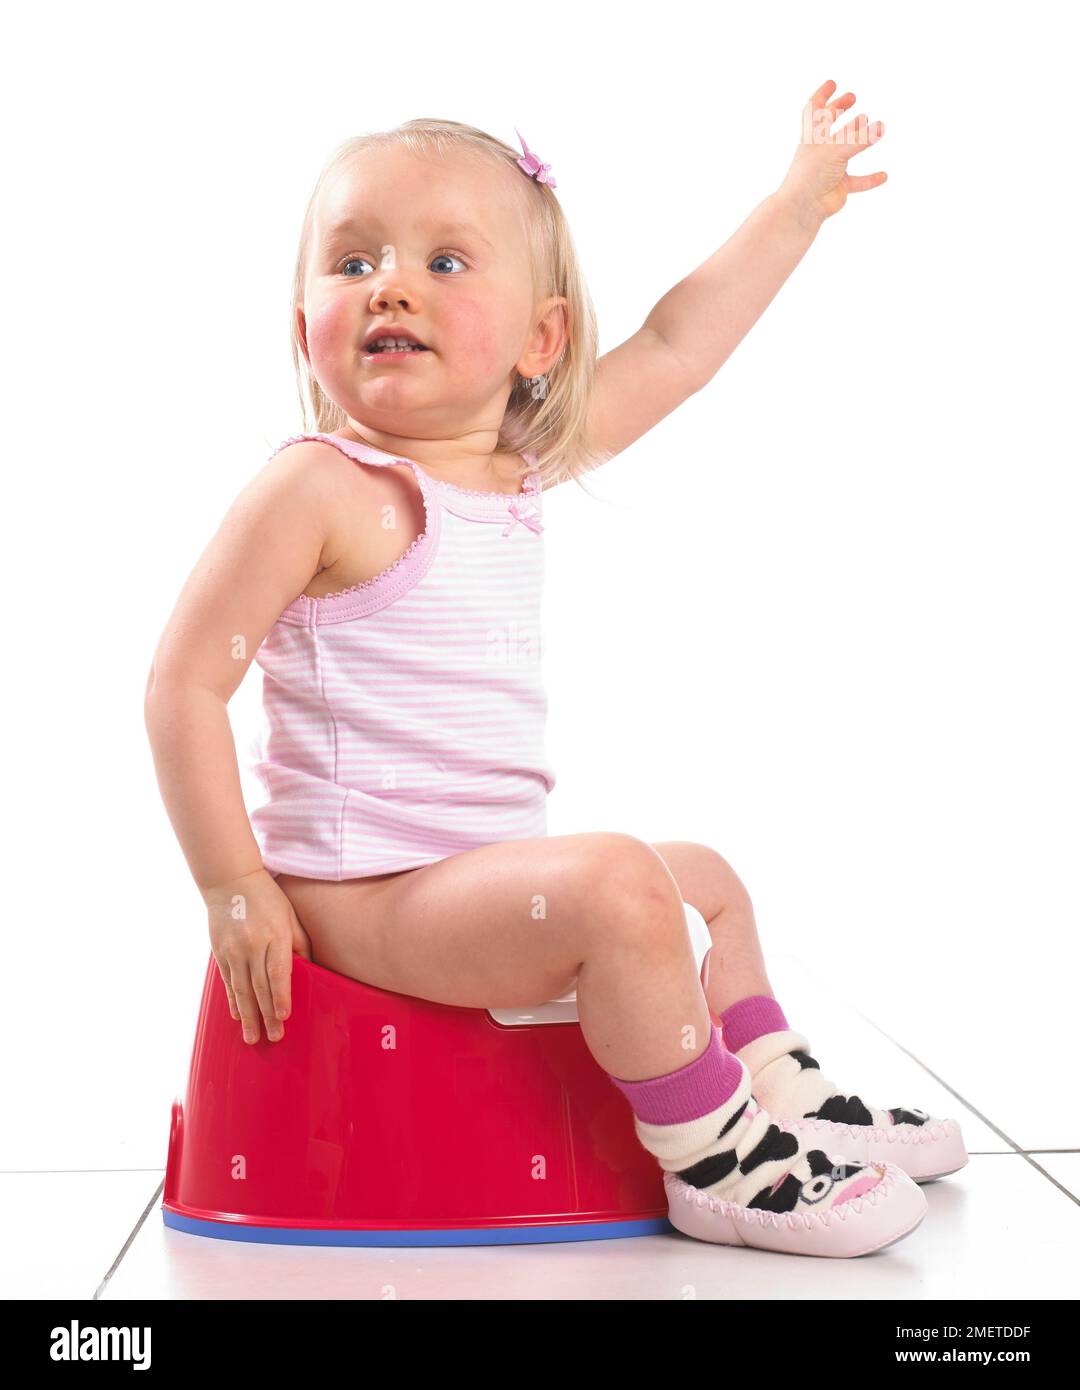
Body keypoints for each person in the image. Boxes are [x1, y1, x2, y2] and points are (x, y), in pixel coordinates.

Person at [144, 86, 966, 1257]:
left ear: (540, 340)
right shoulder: (318, 488)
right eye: (355, 260)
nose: (391, 284)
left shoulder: (513, 467)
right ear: (301, 327)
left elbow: (678, 348)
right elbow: (182, 686)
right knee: (622, 886)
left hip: (473, 878)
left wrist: (796, 204)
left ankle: (779, 1092)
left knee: (708, 882)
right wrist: (236, 888)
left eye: (442, 261)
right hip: (360, 899)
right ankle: (715, 1158)